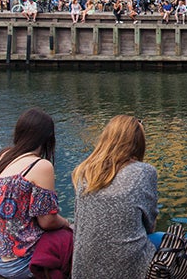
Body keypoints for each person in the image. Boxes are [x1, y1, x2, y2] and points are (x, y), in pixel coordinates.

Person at [0, 108, 72, 279]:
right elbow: (47, 221)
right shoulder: (40, 165)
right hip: (16, 264)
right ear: (48, 138)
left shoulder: (4, 155)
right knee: (67, 236)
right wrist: (67, 223)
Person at [72, 115, 163, 279]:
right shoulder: (143, 172)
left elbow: (79, 223)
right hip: (127, 271)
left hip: (83, 270)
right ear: (138, 144)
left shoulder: (84, 171)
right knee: (169, 240)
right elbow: (150, 226)